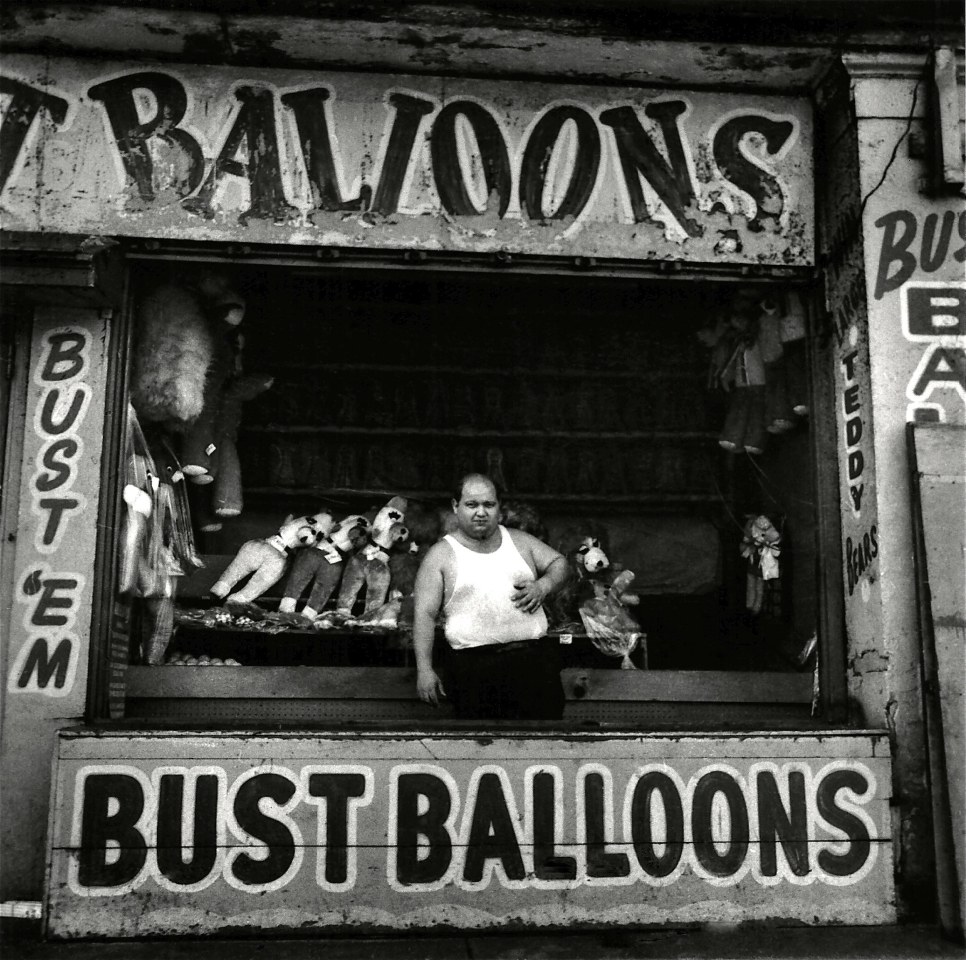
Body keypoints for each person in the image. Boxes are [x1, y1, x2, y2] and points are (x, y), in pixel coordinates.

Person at [413, 473, 570, 720]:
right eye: (471, 504)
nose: (481, 512)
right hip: (472, 670)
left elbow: (559, 562)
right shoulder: (440, 555)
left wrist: (543, 585)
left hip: (533, 665)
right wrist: (424, 669)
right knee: (481, 750)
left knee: (543, 747)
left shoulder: (520, 541)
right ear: (456, 506)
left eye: (489, 504)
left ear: (499, 508)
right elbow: (424, 614)